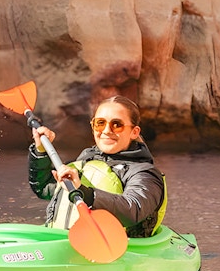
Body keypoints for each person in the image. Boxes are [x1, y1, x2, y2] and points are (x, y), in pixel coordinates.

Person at [28, 96, 166, 238]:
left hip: (123, 250)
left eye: (117, 124)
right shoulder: (86, 160)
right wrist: (41, 151)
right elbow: (44, 188)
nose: (106, 131)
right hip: (65, 239)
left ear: (134, 132)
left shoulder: (144, 173)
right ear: (93, 126)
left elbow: (133, 209)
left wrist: (84, 191)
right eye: (100, 123)